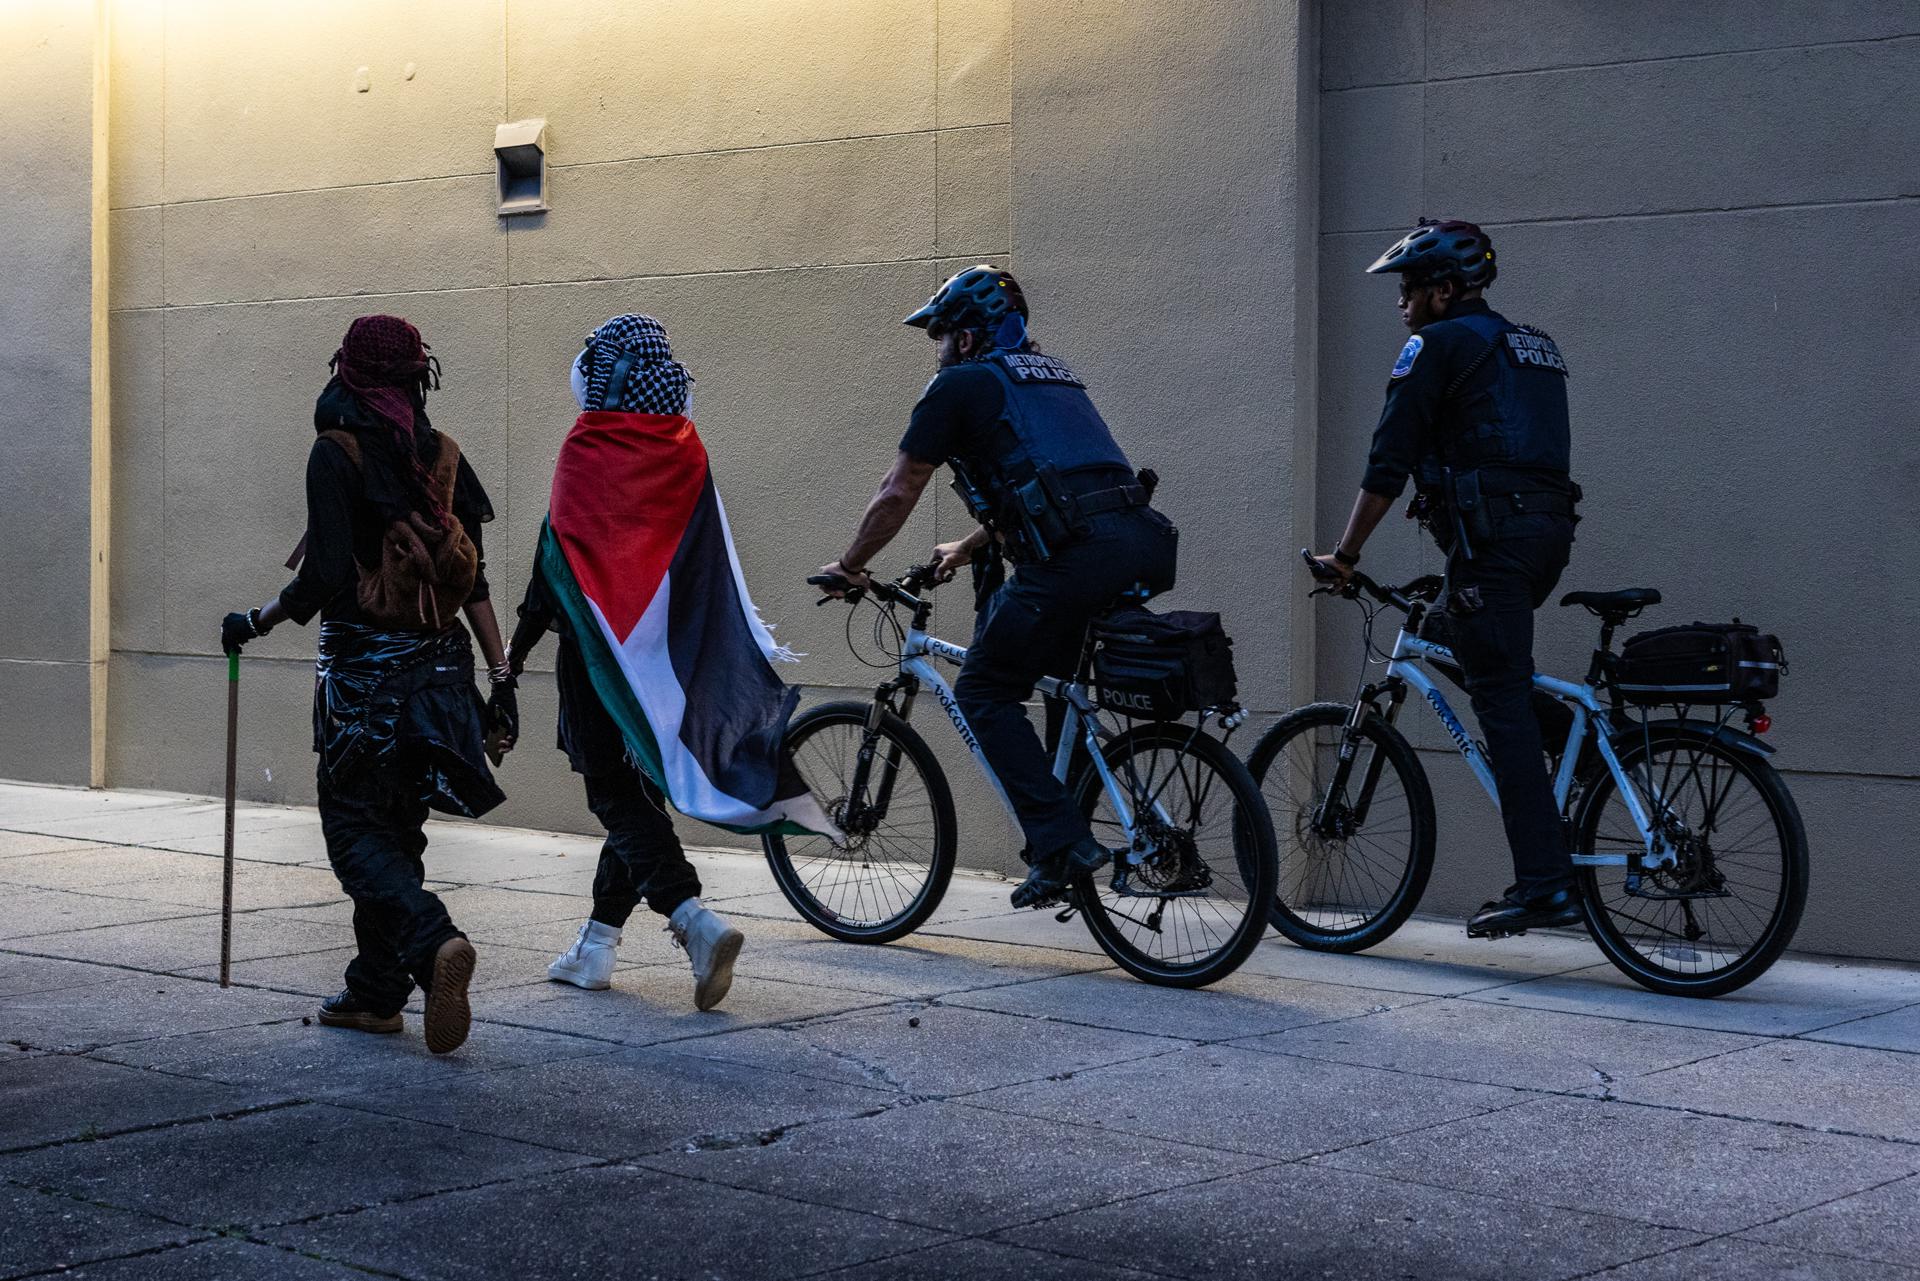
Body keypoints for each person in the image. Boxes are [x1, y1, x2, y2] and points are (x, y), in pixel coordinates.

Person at [817, 266, 1177, 909]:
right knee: (1060, 692)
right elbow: (1060, 487)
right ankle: (1057, 852)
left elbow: (898, 490)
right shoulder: (1052, 376)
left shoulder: (959, 386)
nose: (939, 348)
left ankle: (1063, 843)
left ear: (971, 336)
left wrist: (850, 565)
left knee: (984, 691)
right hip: (1140, 544)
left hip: (1073, 563)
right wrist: (966, 547)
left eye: (944, 334)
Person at [221, 314, 515, 1054]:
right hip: (440, 673)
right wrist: (501, 674)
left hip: (364, 680)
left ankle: (433, 938)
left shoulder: (338, 452)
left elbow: (321, 577)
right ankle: (377, 993)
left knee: (355, 832)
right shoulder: (441, 454)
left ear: (346, 371)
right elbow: (475, 581)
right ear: (421, 373)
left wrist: (254, 621)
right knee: (399, 829)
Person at [1312, 218, 1583, 938]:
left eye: (1408, 289)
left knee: (1501, 702)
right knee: (1461, 637)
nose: (1400, 303)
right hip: (1543, 540)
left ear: (1443, 290)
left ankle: (1546, 884)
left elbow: (1388, 462)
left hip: (1493, 544)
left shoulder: (1435, 344)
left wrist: (1345, 555)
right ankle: (1578, 742)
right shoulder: (1534, 345)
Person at [506, 314, 746, 1011]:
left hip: (598, 656)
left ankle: (694, 920)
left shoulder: (588, 449)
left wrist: (510, 662)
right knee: (634, 797)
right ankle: (596, 946)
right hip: (667, 653)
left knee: (612, 790)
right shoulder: (684, 451)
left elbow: (553, 565)